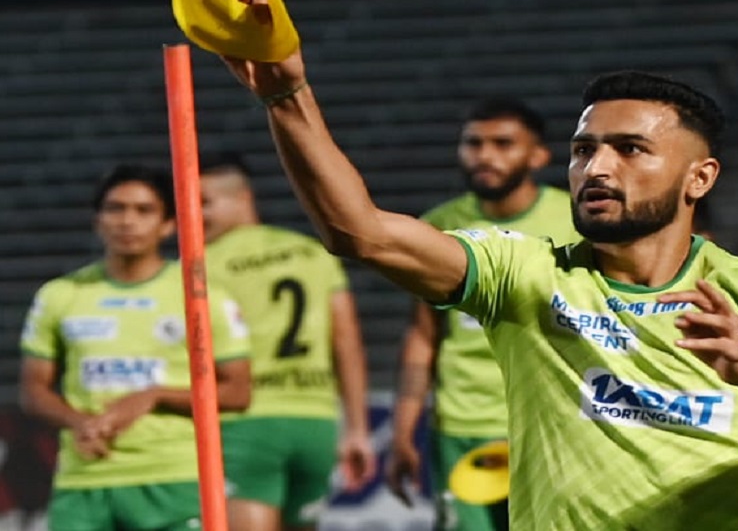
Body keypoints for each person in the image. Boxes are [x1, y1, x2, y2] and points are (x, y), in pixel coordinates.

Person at [220, 0, 738, 529]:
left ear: (699, 178)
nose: (596, 167)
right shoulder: (527, 274)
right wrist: (286, 96)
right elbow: (361, 233)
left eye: (630, 149)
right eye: (583, 149)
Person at [19, 164, 252, 531]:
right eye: (116, 208)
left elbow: (238, 392)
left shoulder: (200, 296)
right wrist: (79, 422)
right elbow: (33, 391)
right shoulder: (60, 295)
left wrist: (155, 395)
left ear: (168, 224)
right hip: (85, 479)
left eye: (144, 210)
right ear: (97, 220)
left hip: (173, 479)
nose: (128, 221)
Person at [385, 98, 578, 530]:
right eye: (473, 143)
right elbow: (423, 334)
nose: (485, 155)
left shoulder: (575, 221)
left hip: (550, 423)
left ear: (538, 155)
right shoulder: (437, 226)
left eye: (503, 144)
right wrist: (403, 429)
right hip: (462, 425)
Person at [199, 153, 375, 531]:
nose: (195, 214)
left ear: (243, 198)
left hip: (246, 424)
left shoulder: (203, 265)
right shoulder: (314, 252)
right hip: (316, 423)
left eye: (204, 202)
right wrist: (357, 428)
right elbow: (347, 340)